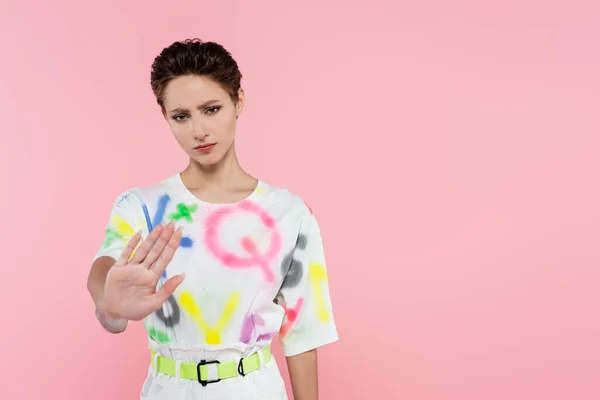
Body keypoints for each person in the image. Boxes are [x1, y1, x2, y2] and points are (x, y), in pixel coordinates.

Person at [86, 38, 339, 400]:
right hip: (167, 388)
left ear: (239, 101)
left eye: (211, 109)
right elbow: (104, 270)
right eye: (181, 116)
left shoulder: (289, 213)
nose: (198, 130)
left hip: (255, 388)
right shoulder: (141, 206)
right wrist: (108, 297)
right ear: (165, 116)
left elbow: (302, 333)